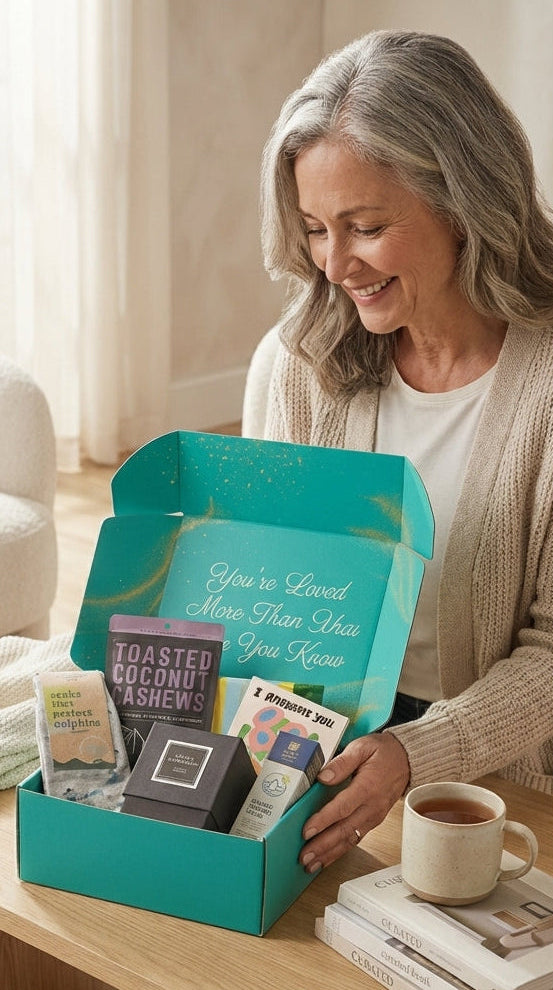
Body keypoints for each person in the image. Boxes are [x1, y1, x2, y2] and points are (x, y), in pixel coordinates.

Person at [258, 29, 553, 875]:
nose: (336, 264)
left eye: (366, 226)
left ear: (464, 202)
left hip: (507, 778)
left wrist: (418, 752)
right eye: (315, 229)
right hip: (339, 752)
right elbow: (285, 588)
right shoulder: (307, 358)